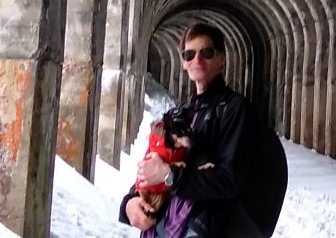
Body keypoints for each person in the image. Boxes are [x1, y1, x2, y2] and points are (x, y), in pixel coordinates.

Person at [120, 23, 286, 237]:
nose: (197, 60)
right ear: (183, 63)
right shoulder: (178, 115)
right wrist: (129, 204)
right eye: (189, 54)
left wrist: (170, 176)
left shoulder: (235, 110)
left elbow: (228, 180)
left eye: (206, 52)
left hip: (206, 229)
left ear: (221, 59)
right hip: (165, 228)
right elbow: (151, 167)